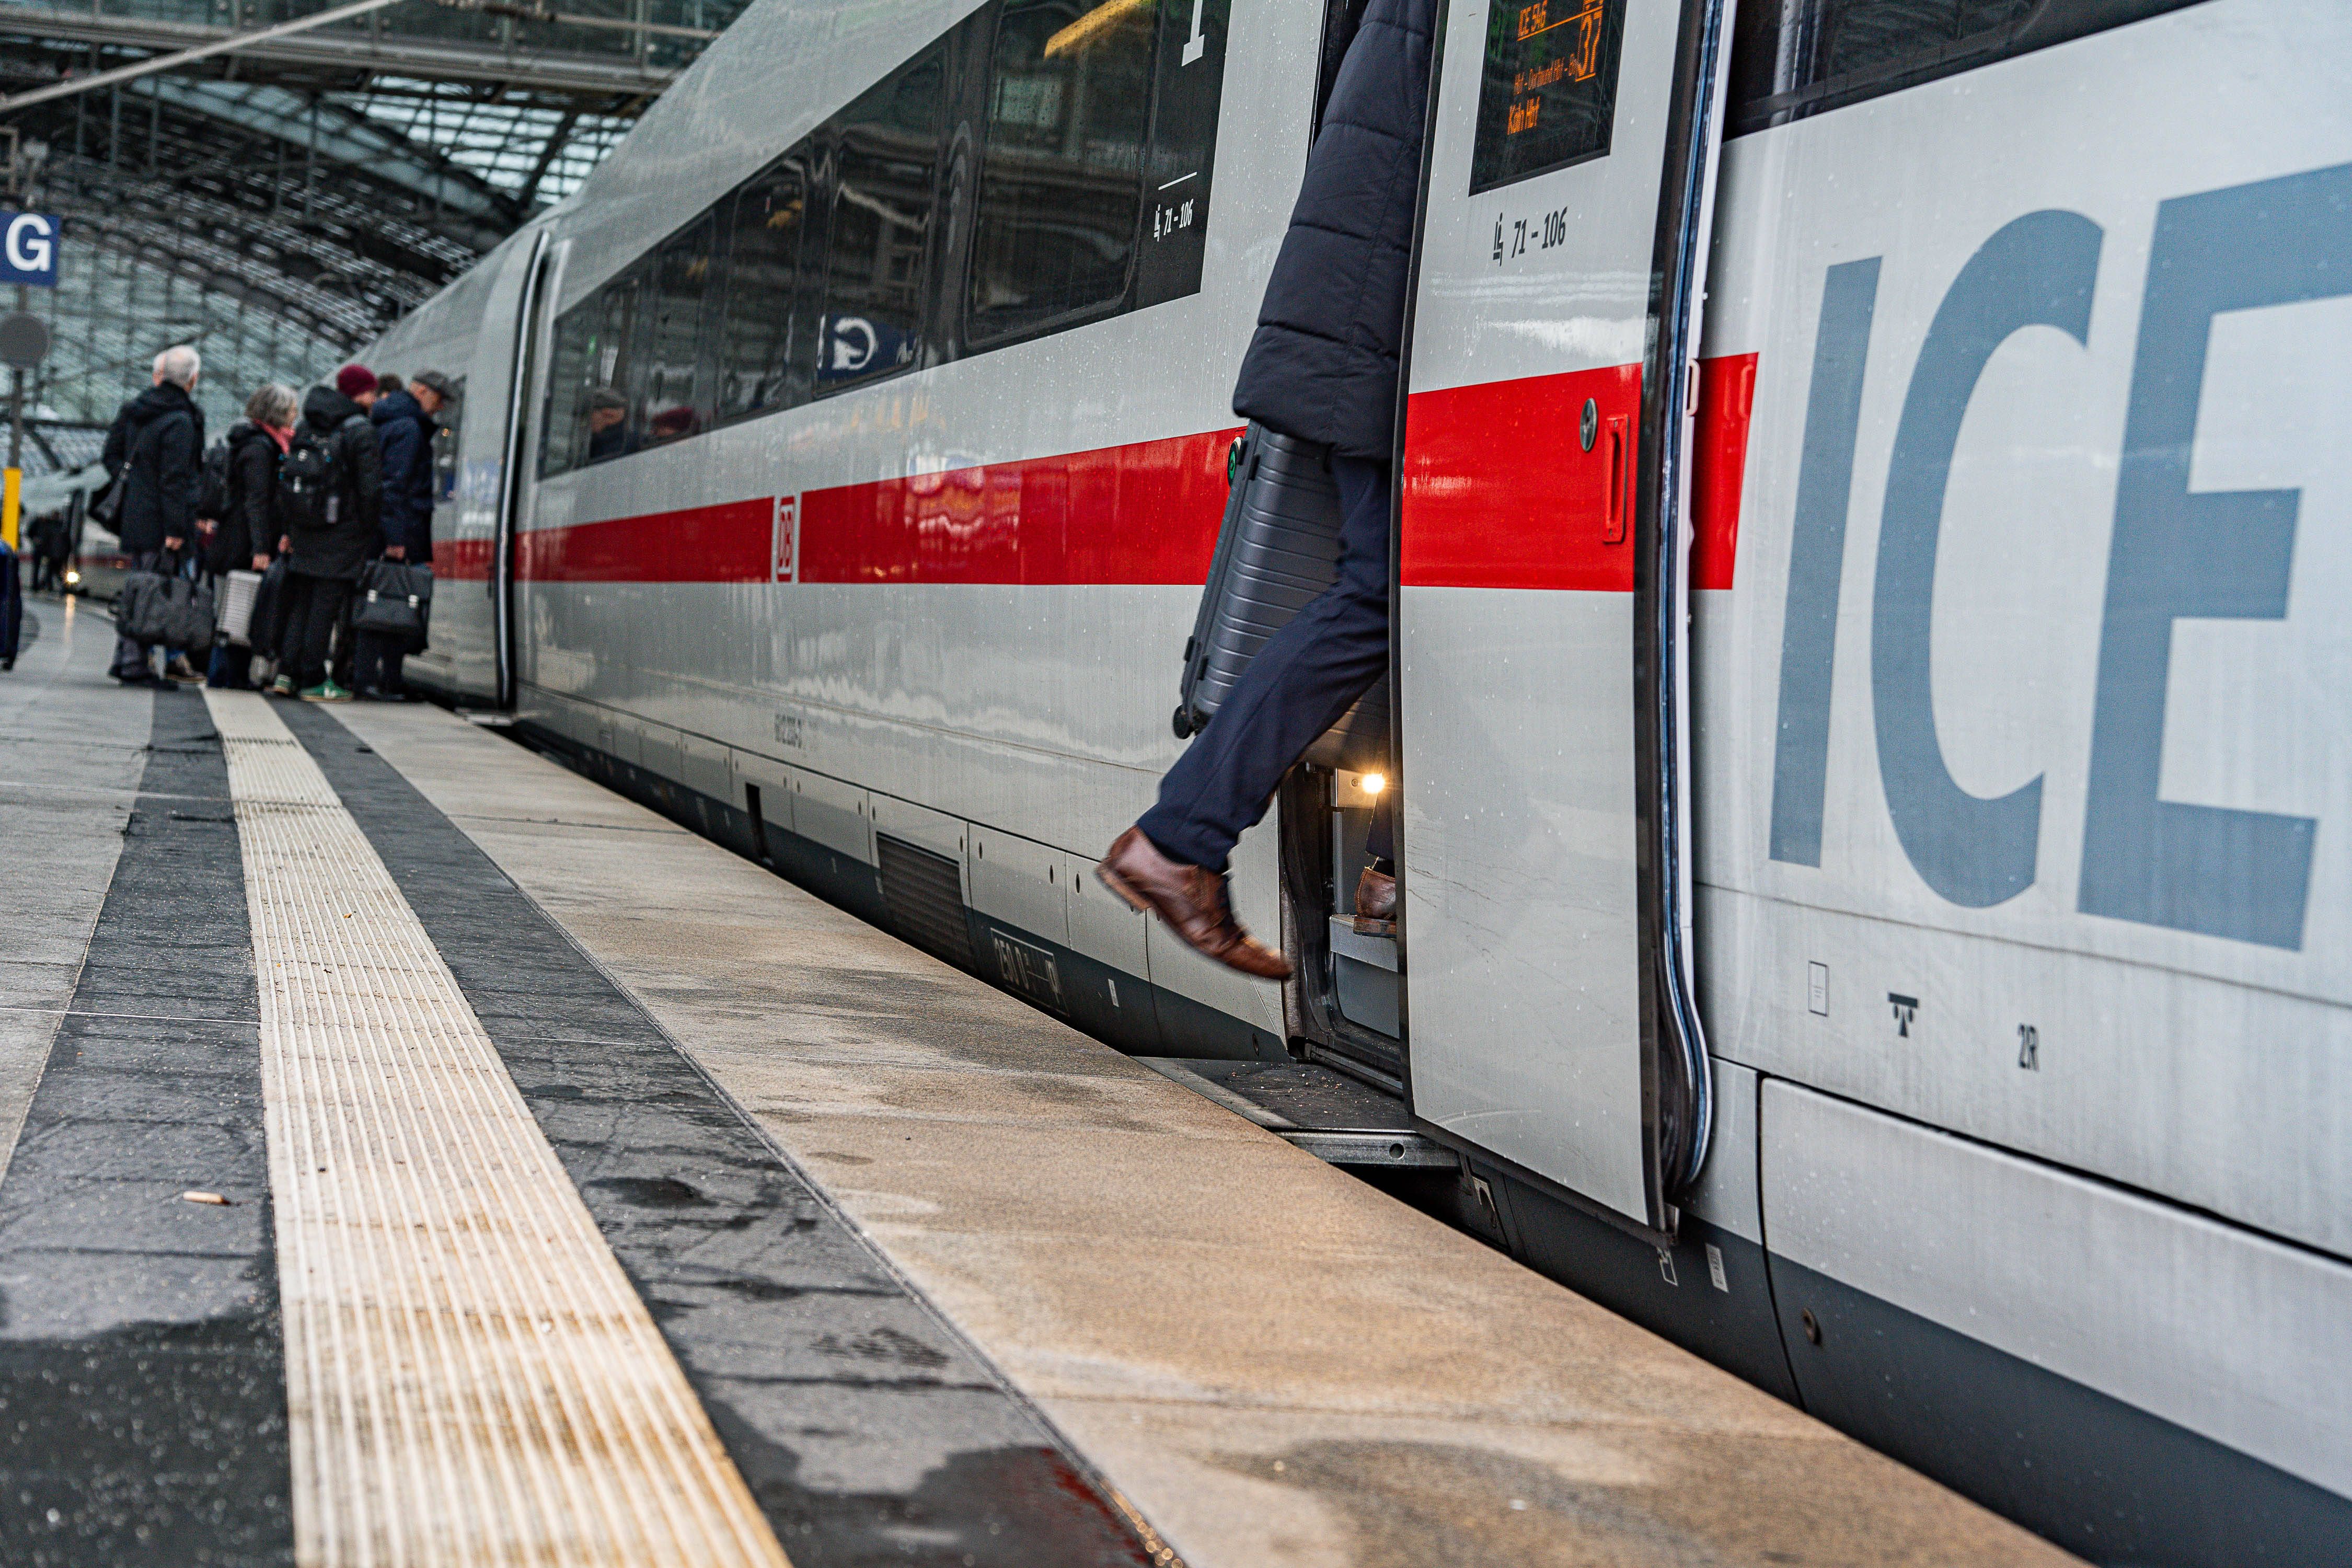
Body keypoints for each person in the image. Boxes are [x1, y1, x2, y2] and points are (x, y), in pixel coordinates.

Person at [1096, 0, 1434, 978]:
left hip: (1350, 329)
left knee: (1391, 595)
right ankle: (1185, 839)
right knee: (1381, 597)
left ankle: (1372, 863)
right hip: (1365, 337)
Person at [272, 365, 382, 702]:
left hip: (305, 528)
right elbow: (370, 489)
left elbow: (290, 482)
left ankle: (287, 674)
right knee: (325, 608)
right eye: (372, 392)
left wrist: (290, 528)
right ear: (360, 393)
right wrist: (367, 528)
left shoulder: (308, 425)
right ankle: (313, 679)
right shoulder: (360, 430)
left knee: (302, 604)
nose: (375, 398)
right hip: (342, 531)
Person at [100, 344, 206, 686]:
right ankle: (135, 663)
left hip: (136, 515)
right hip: (162, 520)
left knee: (139, 588)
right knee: (149, 593)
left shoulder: (136, 410)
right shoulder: (181, 419)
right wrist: (176, 528)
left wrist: (135, 485)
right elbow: (175, 479)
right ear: (192, 379)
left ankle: (126, 659)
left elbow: (111, 455)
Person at [354, 367, 447, 701]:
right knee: (391, 605)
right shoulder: (408, 428)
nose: (440, 408)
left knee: (384, 602)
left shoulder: (391, 421)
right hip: (399, 531)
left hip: (389, 528)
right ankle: (376, 679)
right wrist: (395, 538)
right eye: (438, 399)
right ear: (421, 391)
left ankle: (383, 678)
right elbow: (395, 486)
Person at [204, 383, 296, 688]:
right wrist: (260, 549)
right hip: (241, 542)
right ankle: (225, 675)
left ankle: (232, 674)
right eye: (291, 410)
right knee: (236, 610)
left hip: (240, 539)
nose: (295, 415)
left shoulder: (260, 444)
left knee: (240, 607)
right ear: (277, 413)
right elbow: (256, 502)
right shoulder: (260, 449)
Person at [584, 387, 633, 462]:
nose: (586, 422)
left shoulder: (609, 450)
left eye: (587, 415)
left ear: (609, 414)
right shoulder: (627, 439)